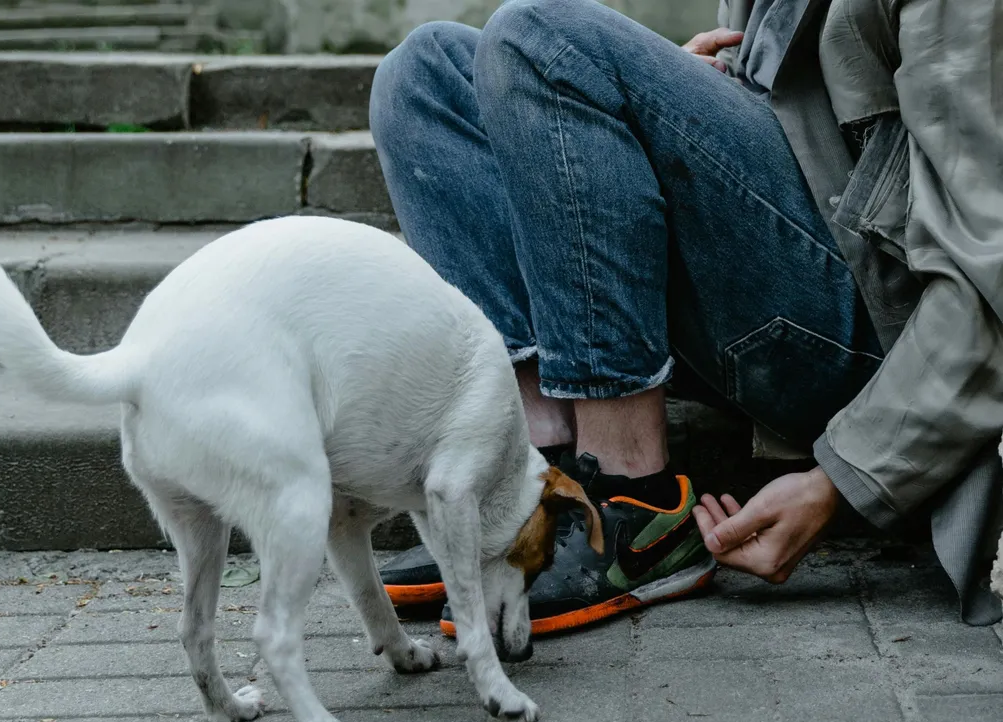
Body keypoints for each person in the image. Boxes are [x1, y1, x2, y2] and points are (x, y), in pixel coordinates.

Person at [368, 0, 1003, 633]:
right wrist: (694, 92)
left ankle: (634, 502)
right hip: (782, 272)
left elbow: (990, 279)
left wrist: (843, 478)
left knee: (546, 40)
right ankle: (531, 485)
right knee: (423, 72)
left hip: (881, 340)